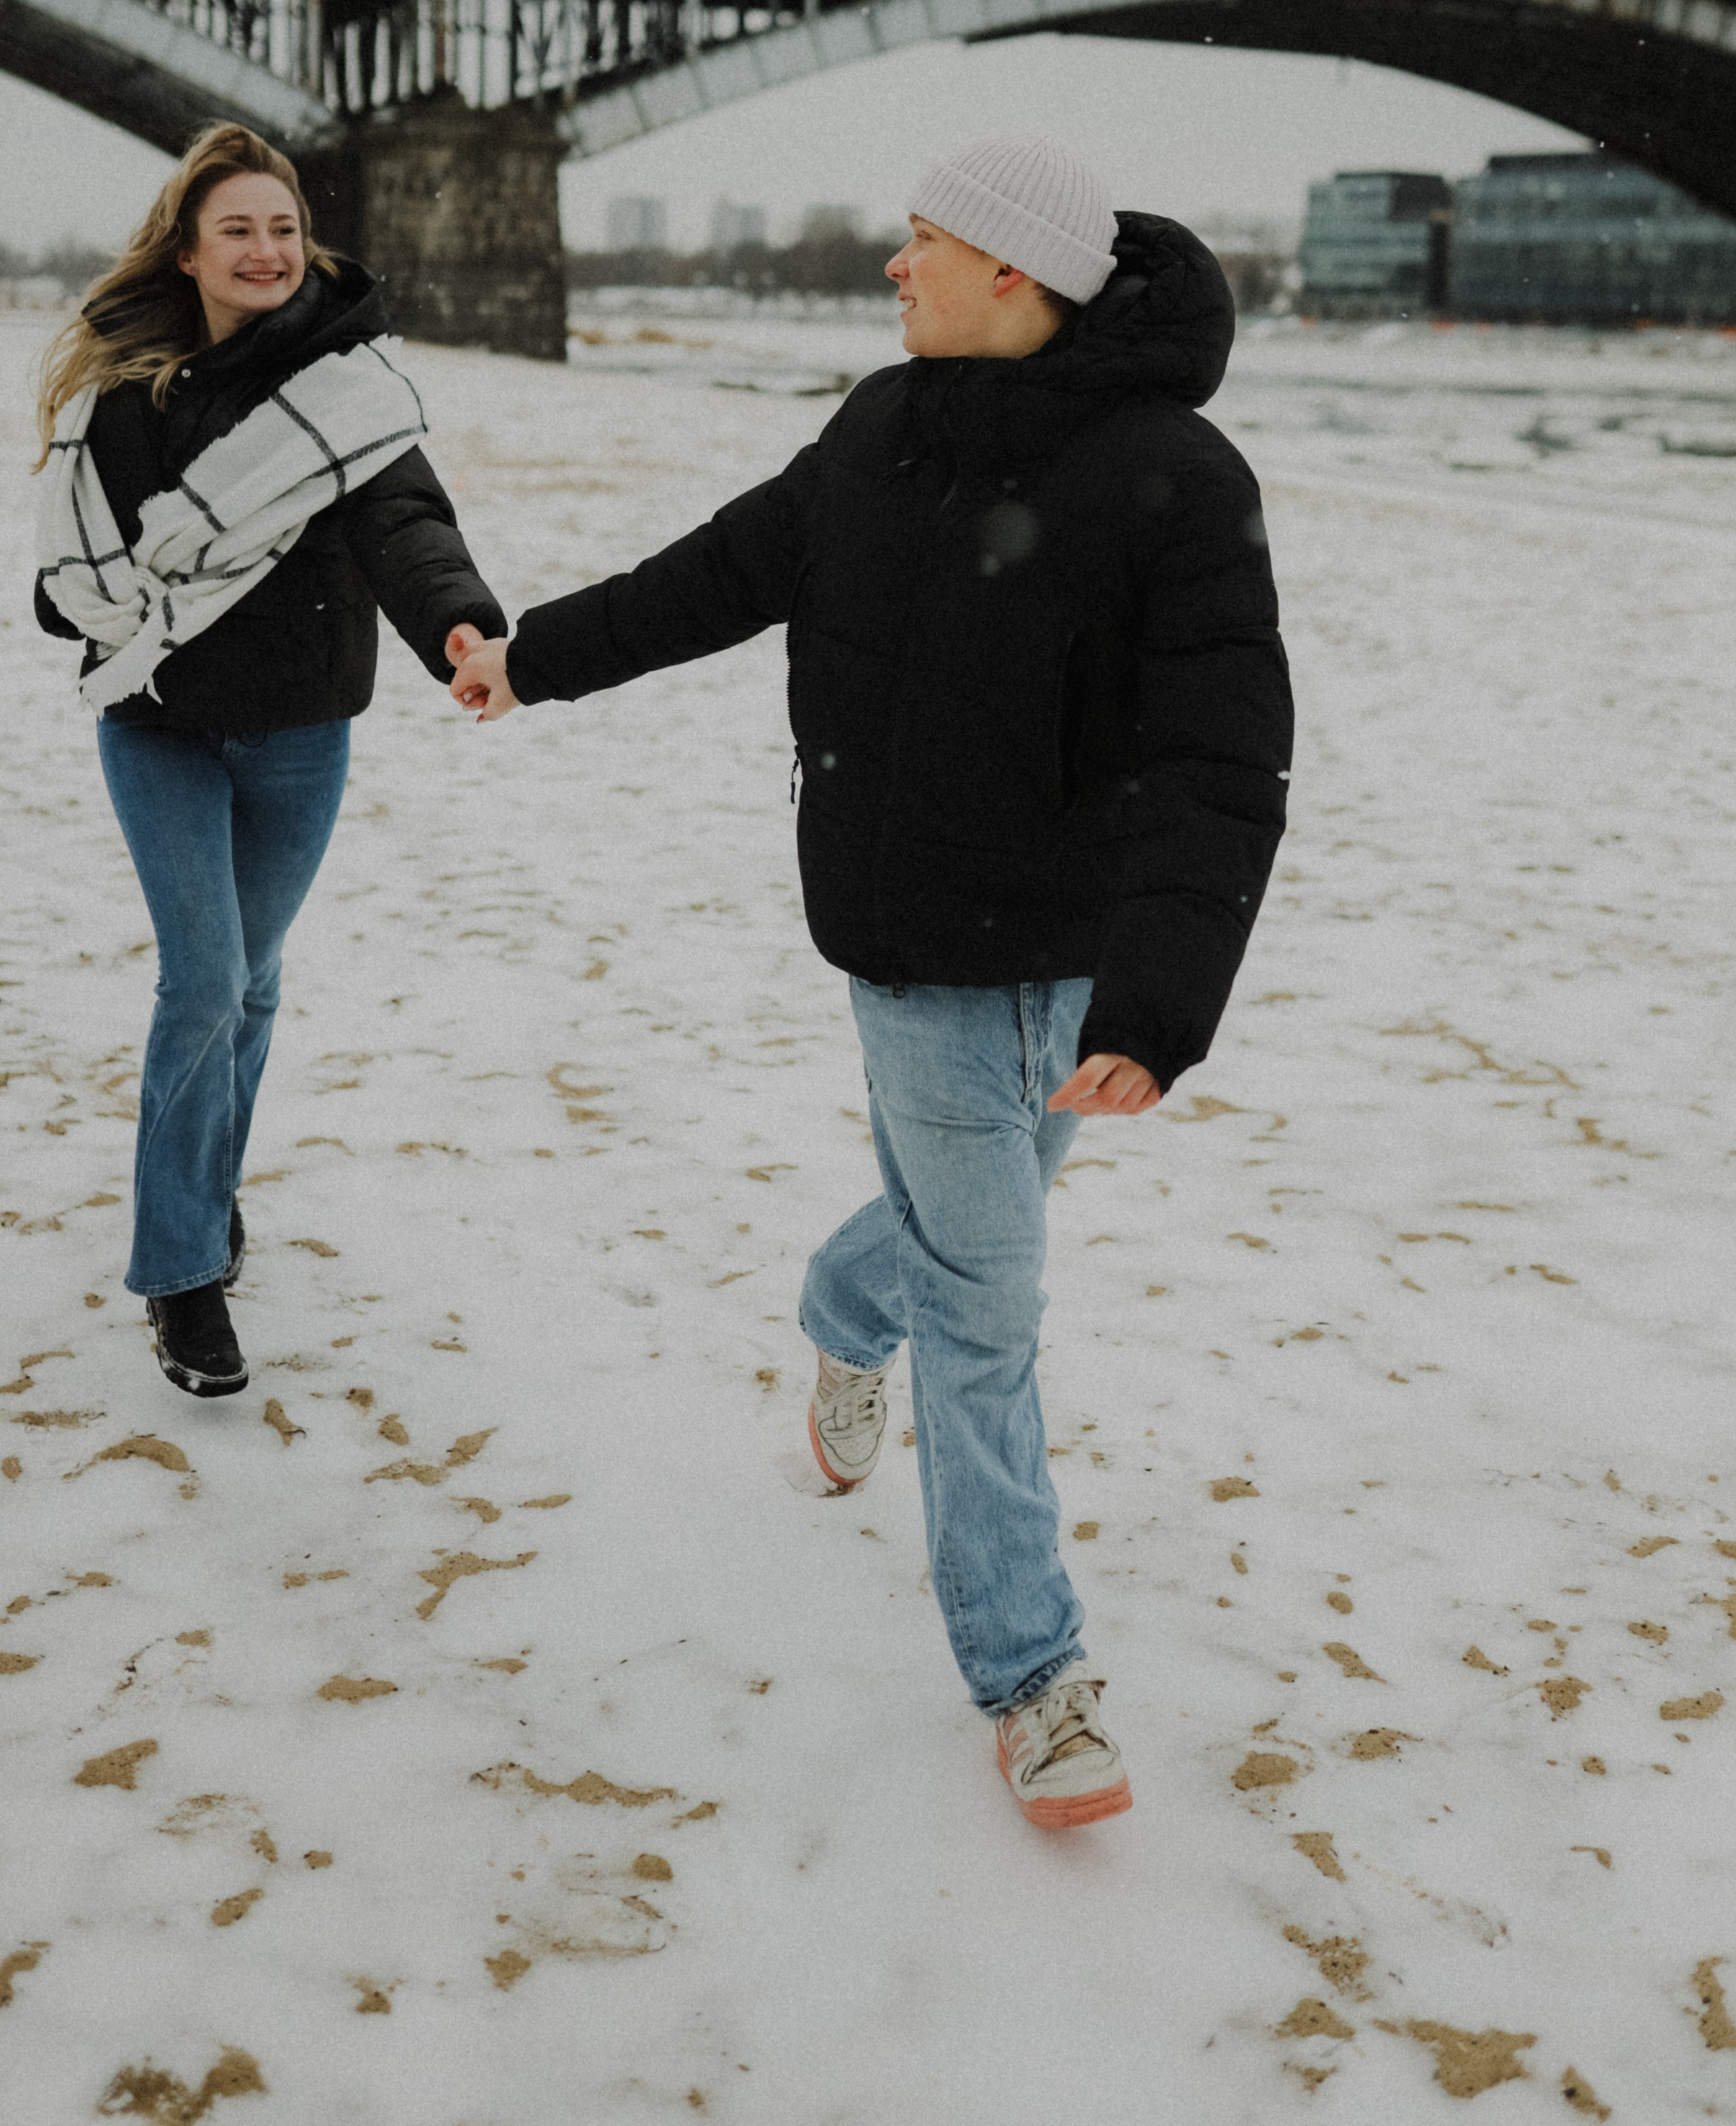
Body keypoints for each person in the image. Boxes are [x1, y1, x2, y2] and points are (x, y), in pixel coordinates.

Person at [449, 131, 1292, 1826]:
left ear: (1013, 276)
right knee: (987, 1307)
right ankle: (1032, 1678)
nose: (889, 268)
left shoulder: (1175, 480)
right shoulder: (875, 431)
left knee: (953, 1238)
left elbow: (1221, 757)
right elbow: (721, 571)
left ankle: (841, 1319)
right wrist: (528, 659)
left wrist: (1153, 1005)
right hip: (907, 951)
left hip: (1075, 958)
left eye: (919, 244)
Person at [33, 121, 505, 1401]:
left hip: (301, 729)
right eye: (237, 228)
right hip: (160, 722)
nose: (267, 249)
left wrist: (460, 620)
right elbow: (82, 559)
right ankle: (183, 1273)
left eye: (285, 227)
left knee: (249, 985)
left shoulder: (347, 388)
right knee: (204, 978)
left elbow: (407, 521)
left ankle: (206, 1189)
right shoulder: (124, 394)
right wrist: (72, 599)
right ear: (187, 251)